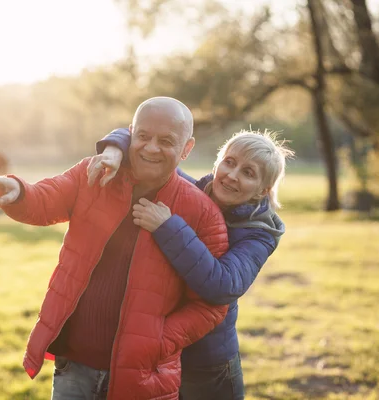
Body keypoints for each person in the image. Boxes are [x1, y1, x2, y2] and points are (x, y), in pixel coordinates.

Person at [0, 97, 230, 400]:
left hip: (144, 374)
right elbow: (47, 198)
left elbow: (211, 304)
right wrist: (19, 192)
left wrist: (160, 341)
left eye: (166, 141)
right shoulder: (96, 173)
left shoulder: (202, 212)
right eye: (143, 137)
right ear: (130, 134)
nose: (151, 148)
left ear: (187, 148)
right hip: (75, 365)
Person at [88, 128, 294, 400]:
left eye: (248, 172)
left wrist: (168, 227)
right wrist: (114, 148)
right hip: (158, 350)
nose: (232, 175)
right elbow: (143, 133)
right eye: (229, 163)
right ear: (218, 162)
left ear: (262, 191)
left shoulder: (259, 233)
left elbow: (223, 284)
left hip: (208, 362)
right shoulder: (191, 192)